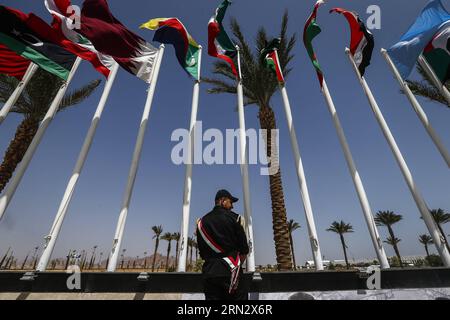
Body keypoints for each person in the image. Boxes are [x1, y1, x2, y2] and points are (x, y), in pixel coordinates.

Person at [196, 189, 250, 300]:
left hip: (210, 273)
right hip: (232, 273)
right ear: (223, 201)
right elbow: (244, 250)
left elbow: (202, 253)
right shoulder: (236, 219)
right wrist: (234, 264)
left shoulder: (201, 223)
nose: (232, 206)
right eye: (231, 202)